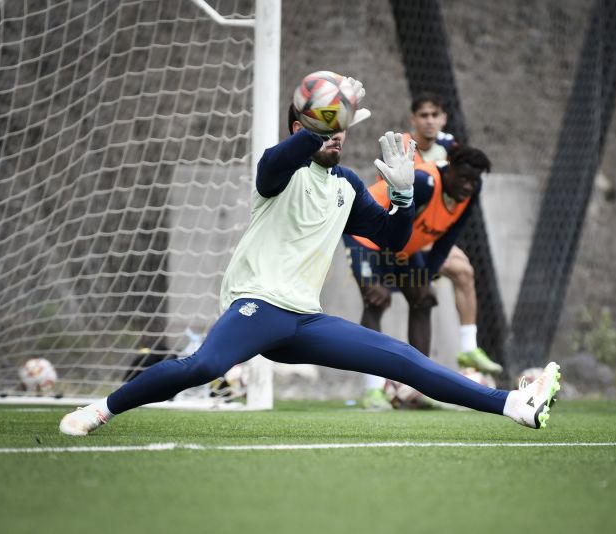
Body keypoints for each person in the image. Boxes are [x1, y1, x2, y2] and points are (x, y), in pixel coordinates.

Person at [59, 76, 561, 436]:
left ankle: (515, 406)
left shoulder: (343, 186)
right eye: (327, 126)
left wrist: (407, 198)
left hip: (303, 319)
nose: (337, 134)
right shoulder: (278, 173)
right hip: (257, 304)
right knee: (202, 366)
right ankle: (101, 409)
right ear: (302, 127)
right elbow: (286, 155)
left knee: (405, 360)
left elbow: (390, 238)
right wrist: (320, 122)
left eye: (341, 127)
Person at [344, 143, 497, 410]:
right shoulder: (425, 182)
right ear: (448, 168)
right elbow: (389, 221)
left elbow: (446, 240)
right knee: (377, 299)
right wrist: (380, 275)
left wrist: (423, 276)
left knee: (424, 297)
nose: (468, 186)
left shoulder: (470, 192)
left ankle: (416, 386)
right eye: (462, 178)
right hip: (366, 240)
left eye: (474, 181)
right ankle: (373, 391)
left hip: (401, 245)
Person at [404, 93, 503, 376]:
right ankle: (381, 385)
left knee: (464, 271)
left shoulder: (451, 150)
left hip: (429, 235)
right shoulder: (402, 148)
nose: (430, 121)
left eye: (435, 114)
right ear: (414, 120)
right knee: (385, 298)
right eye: (424, 115)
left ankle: (468, 348)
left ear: (444, 119)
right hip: (401, 236)